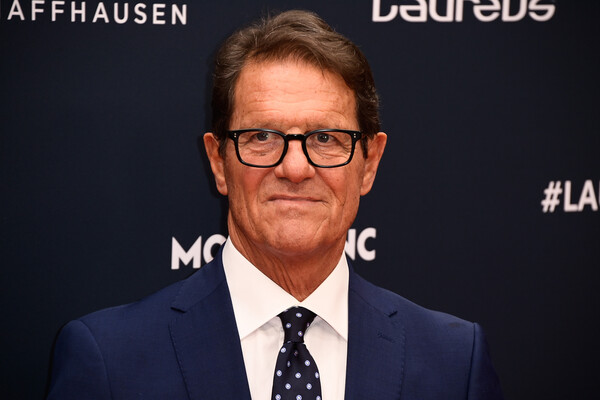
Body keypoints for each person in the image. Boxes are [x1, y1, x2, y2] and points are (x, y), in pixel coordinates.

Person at [47, 9, 503, 400]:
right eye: (262, 136)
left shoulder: (454, 363)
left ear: (369, 163)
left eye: (326, 138)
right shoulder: (110, 360)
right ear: (219, 162)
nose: (295, 168)